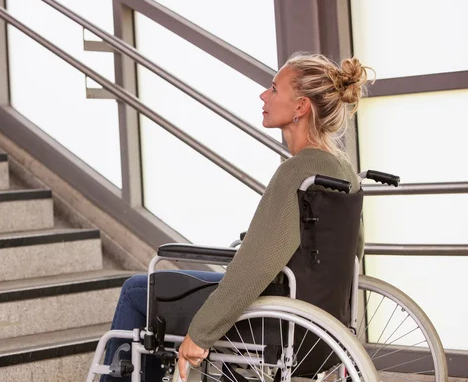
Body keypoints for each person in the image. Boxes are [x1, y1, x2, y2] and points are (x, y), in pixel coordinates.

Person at [101, 52, 372, 382]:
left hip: (274, 316)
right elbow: (352, 255)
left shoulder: (296, 173)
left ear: (300, 107)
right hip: (320, 324)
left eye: (274, 89)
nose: (263, 95)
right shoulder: (344, 170)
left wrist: (200, 334)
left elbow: (253, 269)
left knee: (136, 290)